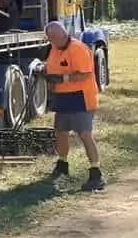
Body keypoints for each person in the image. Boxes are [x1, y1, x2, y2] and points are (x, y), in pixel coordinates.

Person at [38, 20, 106, 190]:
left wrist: (62, 79)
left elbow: (85, 74)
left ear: (63, 34)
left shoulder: (78, 49)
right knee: (61, 132)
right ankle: (62, 165)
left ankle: (96, 174)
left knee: (85, 134)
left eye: (57, 39)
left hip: (81, 98)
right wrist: (44, 70)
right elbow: (52, 66)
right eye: (52, 40)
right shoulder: (54, 49)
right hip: (63, 97)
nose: (55, 43)